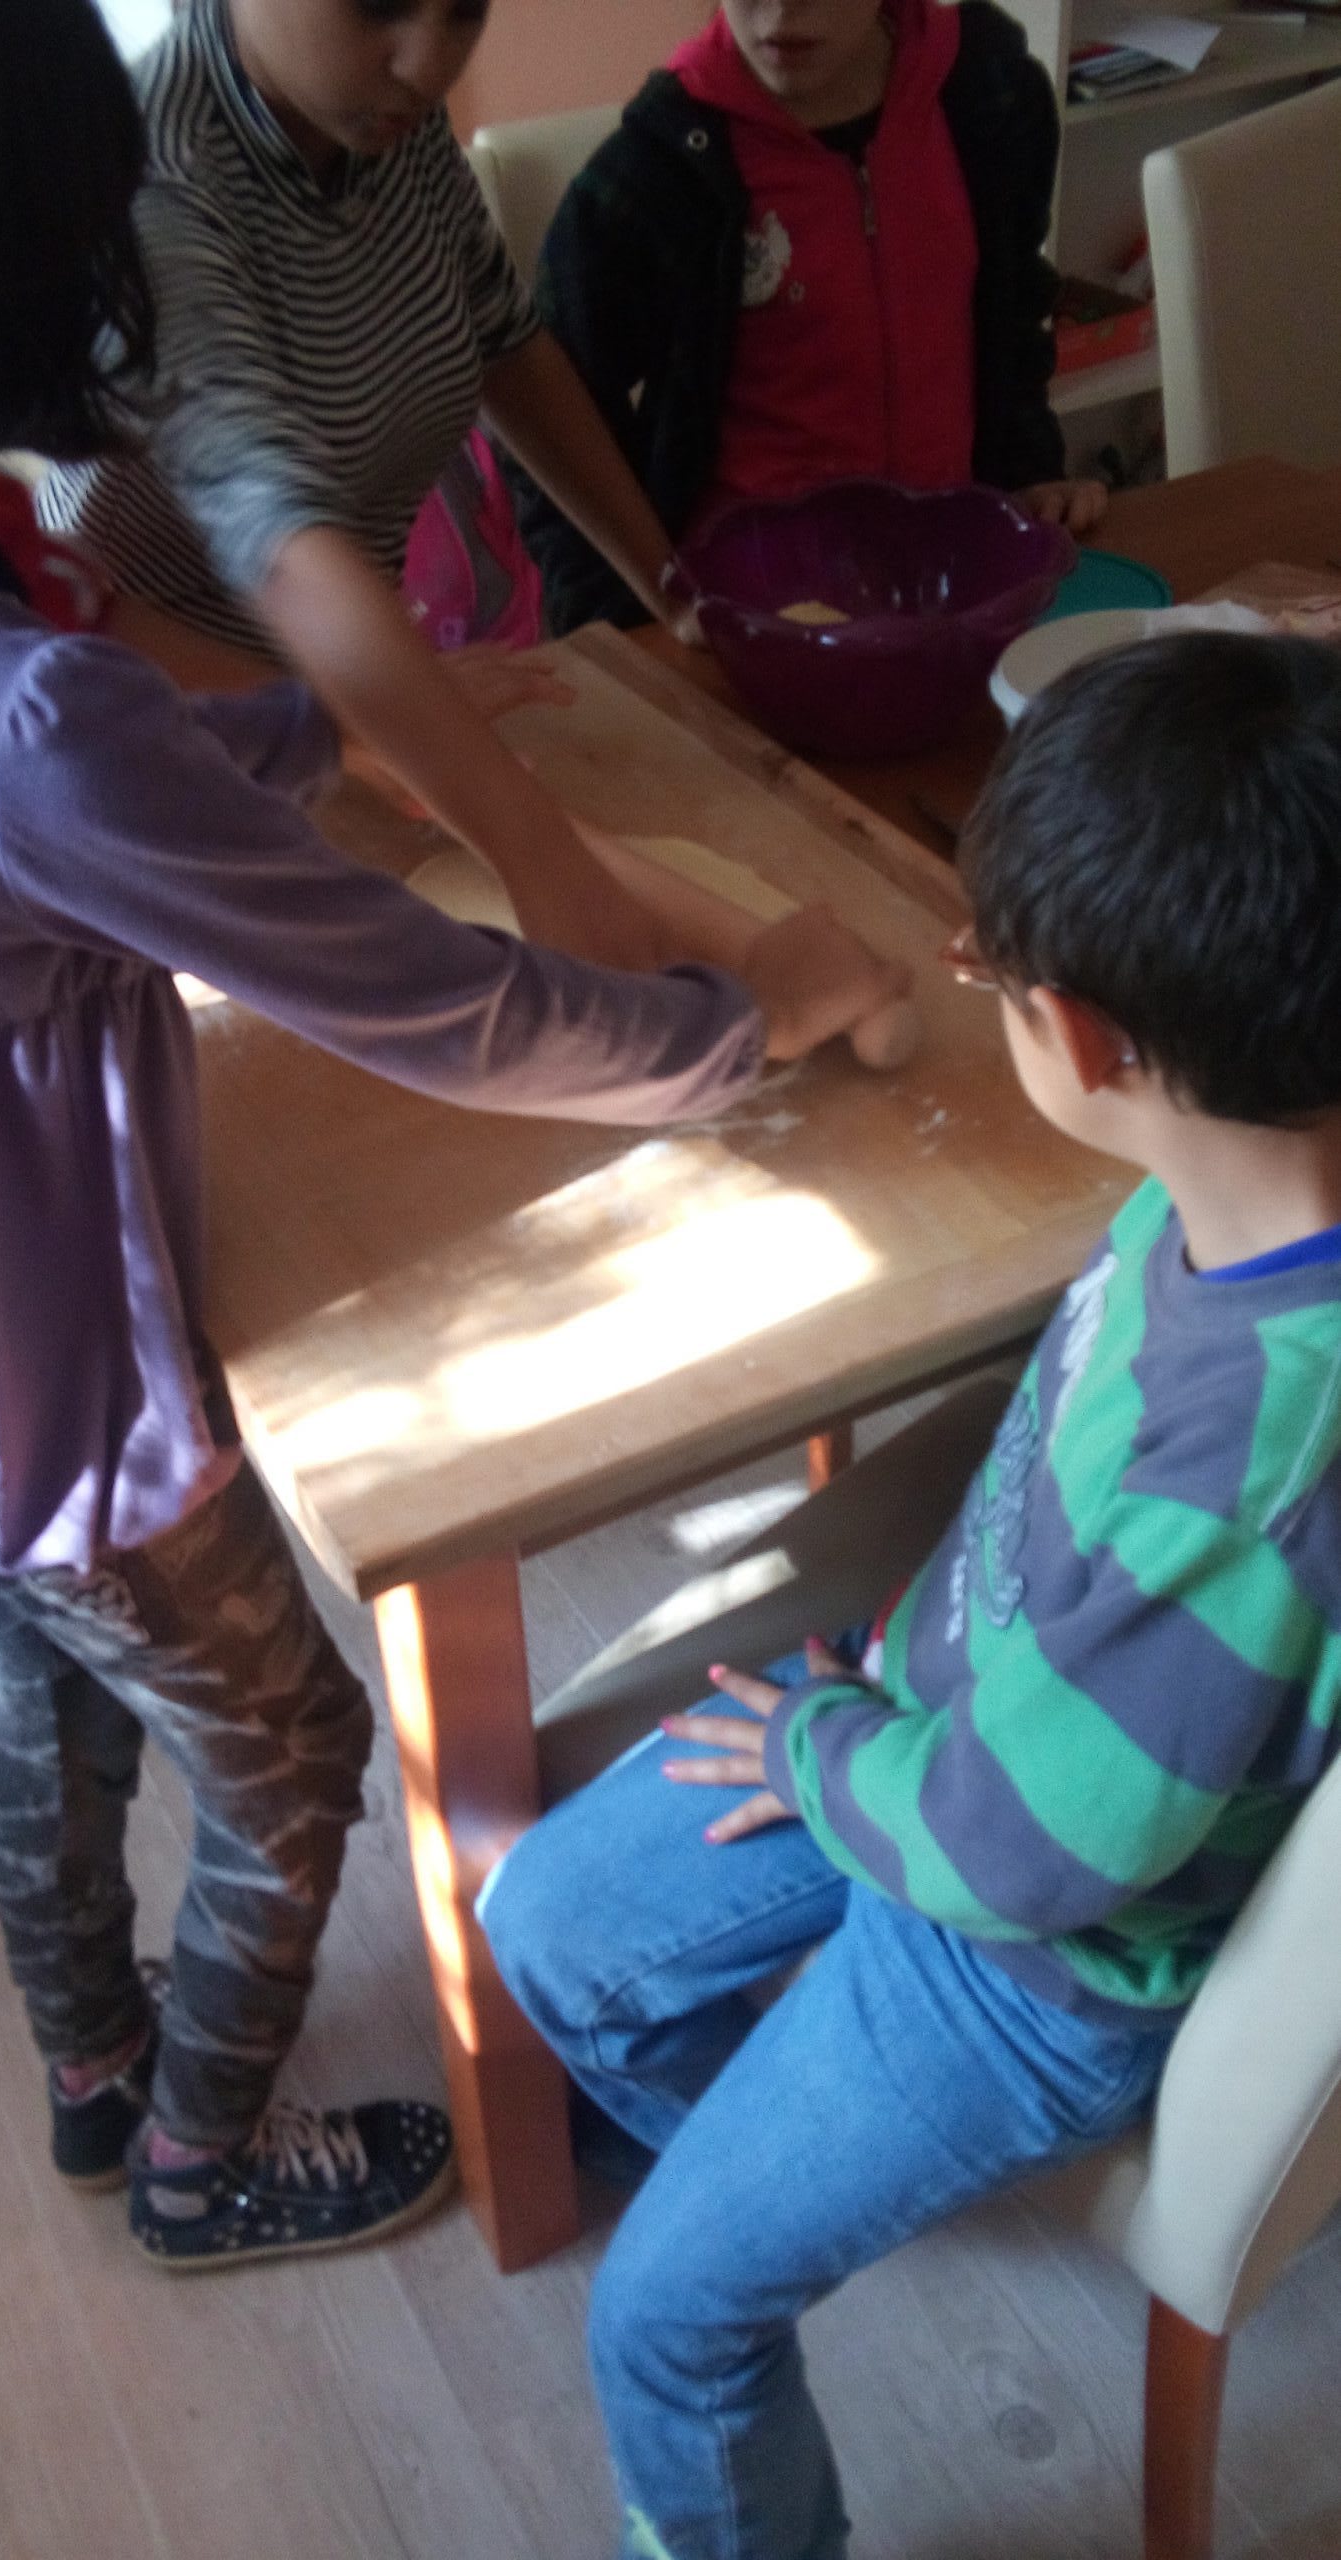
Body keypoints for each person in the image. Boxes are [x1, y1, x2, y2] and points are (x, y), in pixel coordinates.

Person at [0, 0, 883, 2275]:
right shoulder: (25, 716)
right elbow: (438, 1008)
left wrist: (301, 752)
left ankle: (90, 2066)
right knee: (290, 1749)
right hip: (64, 1390)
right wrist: (734, 1018)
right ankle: (197, 2158)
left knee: (46, 1710)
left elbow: (112, 790)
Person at [482, 628, 1341, 2559]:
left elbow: (1034, 1855)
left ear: (1085, 1045)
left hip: (1019, 1944)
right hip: (927, 1727)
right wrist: (864, 1720)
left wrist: (818, 1747)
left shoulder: (1257, 1463)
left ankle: (757, 2303)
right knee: (547, 1925)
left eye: (988, 978)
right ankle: (793, 2170)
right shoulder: (1238, 1190)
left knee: (659, 2326)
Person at [39, 0, 743, 974]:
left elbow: (504, 344)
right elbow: (281, 537)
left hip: (340, 715)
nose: (425, 63)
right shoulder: (148, 176)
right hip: (136, 749)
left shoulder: (381, 125)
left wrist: (671, 589)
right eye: (378, 3)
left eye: (464, 13)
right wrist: (544, 862)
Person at [513, 0, 1108, 637]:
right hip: (750, 629)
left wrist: (1030, 476)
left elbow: (1012, 319)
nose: (780, 12)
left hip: (955, 600)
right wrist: (631, 622)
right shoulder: (658, 169)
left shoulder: (988, 93)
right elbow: (541, 416)